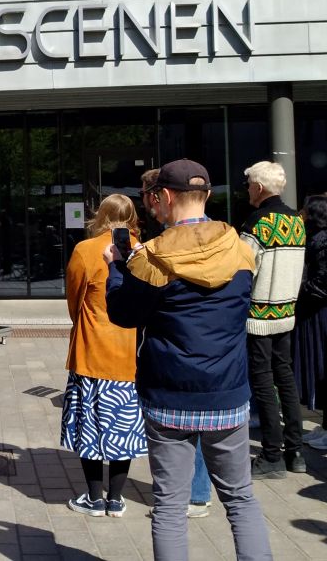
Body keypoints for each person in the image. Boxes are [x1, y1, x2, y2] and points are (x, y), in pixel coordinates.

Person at [105, 158, 271, 561]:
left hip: (169, 398)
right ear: (208, 196)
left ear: (163, 196)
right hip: (228, 394)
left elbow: (123, 314)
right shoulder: (241, 248)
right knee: (241, 500)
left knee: (169, 507)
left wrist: (116, 270)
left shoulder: (151, 260)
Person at [61, 194, 147, 519]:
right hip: (129, 355)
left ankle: (94, 498)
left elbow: (73, 299)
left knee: (90, 427)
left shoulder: (85, 250)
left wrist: (83, 322)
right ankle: (117, 498)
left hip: (92, 349)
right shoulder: (142, 250)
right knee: (123, 428)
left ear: (101, 215)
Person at [141, 168, 211, 519]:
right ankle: (196, 494)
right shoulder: (228, 242)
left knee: (183, 435)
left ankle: (187, 495)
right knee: (241, 498)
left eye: (153, 197)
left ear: (166, 196)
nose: (151, 205)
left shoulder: (164, 249)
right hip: (219, 370)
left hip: (178, 369)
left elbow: (130, 311)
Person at [240, 160, 306, 478]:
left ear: (260, 188)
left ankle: (271, 455)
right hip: (286, 312)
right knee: (286, 377)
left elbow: (241, 269)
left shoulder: (257, 222)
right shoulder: (296, 220)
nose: (248, 189)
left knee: (263, 382)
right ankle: (295, 452)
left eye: (250, 184)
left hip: (259, 315)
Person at [294, 194, 327, 450]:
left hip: (320, 314)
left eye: (305, 212)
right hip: (315, 312)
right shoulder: (316, 238)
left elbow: (322, 283)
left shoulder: (321, 241)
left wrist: (300, 287)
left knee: (322, 366)